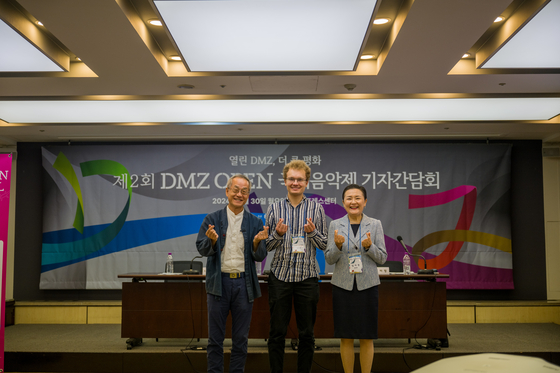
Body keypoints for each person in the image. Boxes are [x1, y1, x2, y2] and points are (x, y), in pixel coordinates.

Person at [196, 174, 269, 373]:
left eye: (244, 191)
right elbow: (201, 249)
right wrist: (211, 241)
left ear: (248, 196)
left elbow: (261, 255)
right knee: (215, 339)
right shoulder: (212, 219)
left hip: (244, 286)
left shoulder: (255, 222)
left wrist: (256, 242)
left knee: (240, 339)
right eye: (235, 190)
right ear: (227, 192)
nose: (239, 194)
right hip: (219, 284)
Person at [265, 160, 328, 373]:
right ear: (284, 181)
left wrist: (312, 233)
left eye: (299, 179)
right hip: (280, 276)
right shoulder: (274, 208)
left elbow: (324, 245)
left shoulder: (316, 209)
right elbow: (266, 247)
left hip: (307, 277)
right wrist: (278, 234)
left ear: (306, 183)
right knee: (276, 332)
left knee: (307, 334)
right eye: (291, 179)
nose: (295, 183)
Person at [325, 184, 387, 373]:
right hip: (343, 286)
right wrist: (336, 246)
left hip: (367, 286)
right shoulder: (335, 225)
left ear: (365, 202)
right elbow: (329, 258)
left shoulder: (375, 224)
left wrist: (369, 247)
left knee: (366, 336)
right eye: (349, 198)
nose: (354, 202)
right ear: (343, 202)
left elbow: (382, 257)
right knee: (346, 337)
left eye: (358, 198)